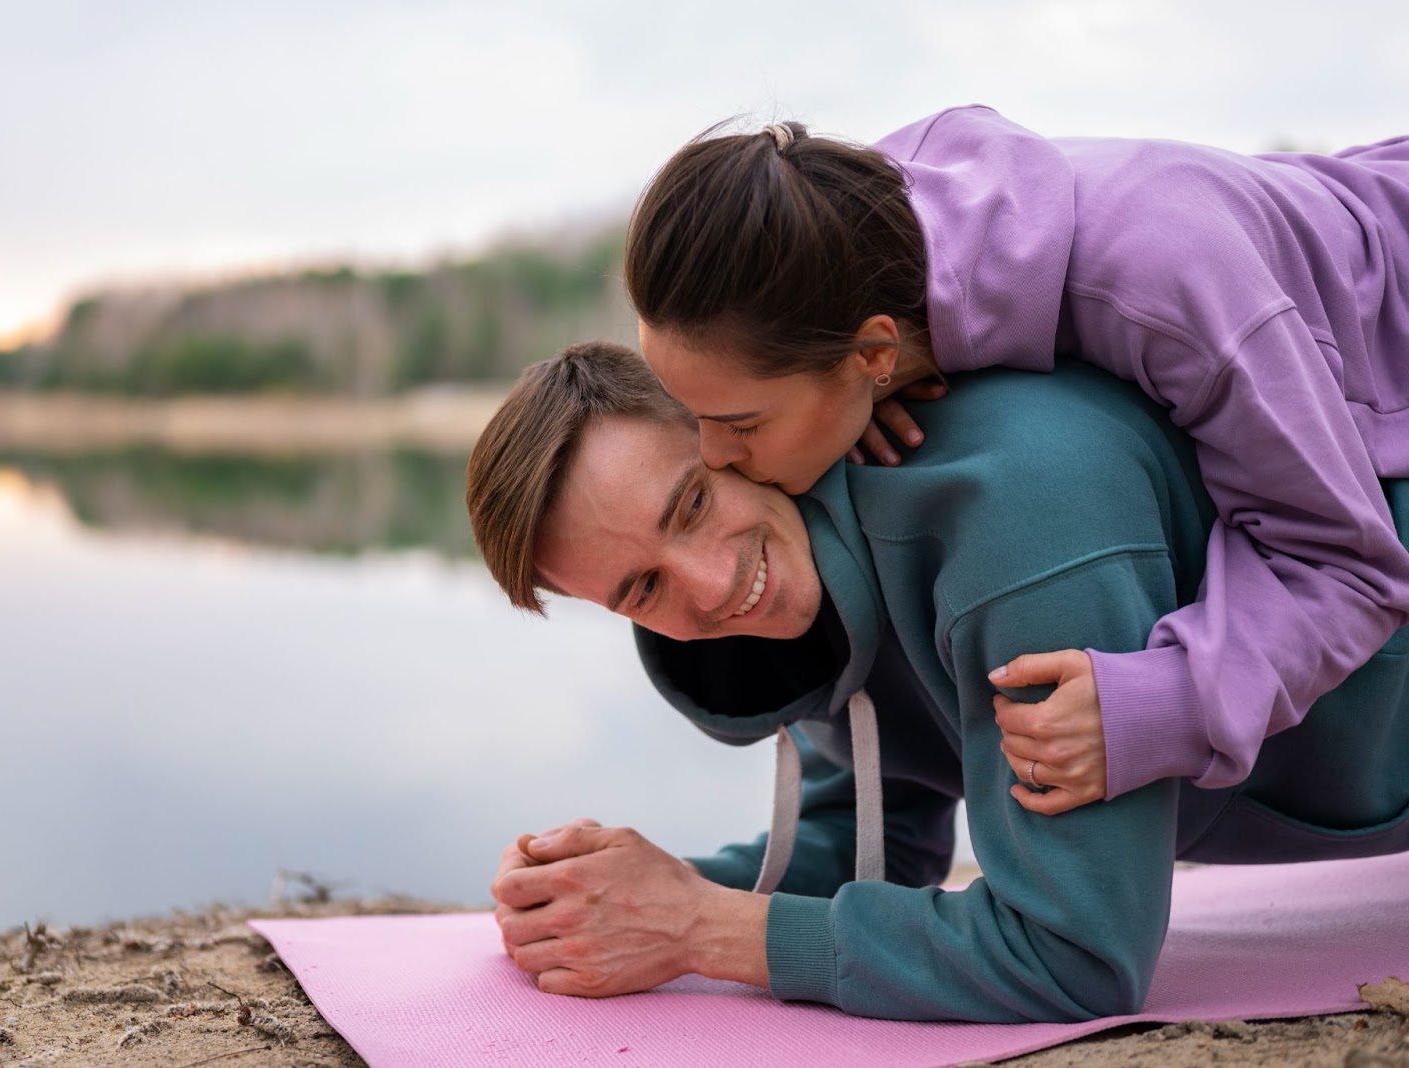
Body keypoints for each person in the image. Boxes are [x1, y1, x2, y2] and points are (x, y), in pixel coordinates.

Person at [463, 341, 1409, 1023]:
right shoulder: (801, 586)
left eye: (694, 503)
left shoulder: (1014, 514)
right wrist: (619, 897)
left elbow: (1074, 957)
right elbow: (868, 845)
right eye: (642, 589)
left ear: (730, 429)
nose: (713, 586)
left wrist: (701, 931)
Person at [623, 106, 1409, 815]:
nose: (714, 456)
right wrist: (870, 391)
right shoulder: (844, 244)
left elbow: (1349, 569)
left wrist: (1164, 702)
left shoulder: (1173, 288)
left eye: (741, 423)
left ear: (871, 351)